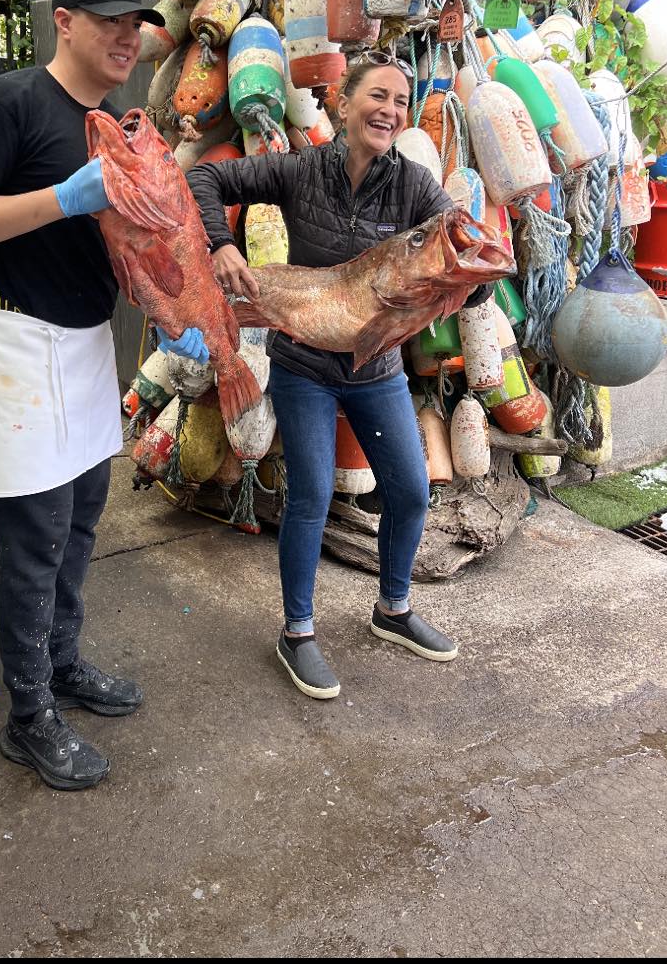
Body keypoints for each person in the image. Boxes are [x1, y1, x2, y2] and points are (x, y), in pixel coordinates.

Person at [0, 0, 208, 790]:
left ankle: (62, 663)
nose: (130, 35)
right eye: (112, 19)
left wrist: (173, 306)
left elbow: (123, 239)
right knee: (34, 538)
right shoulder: (5, 101)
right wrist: (64, 196)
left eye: (138, 23)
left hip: (85, 344)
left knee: (83, 516)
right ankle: (28, 717)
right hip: (15, 339)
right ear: (66, 21)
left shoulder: (116, 118)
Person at [190, 53, 481, 702]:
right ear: (341, 105)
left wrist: (472, 277)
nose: (390, 110)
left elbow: (456, 235)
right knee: (313, 494)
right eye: (377, 95)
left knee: (408, 490)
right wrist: (222, 244)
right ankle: (296, 633)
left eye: (401, 101)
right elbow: (206, 182)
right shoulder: (299, 170)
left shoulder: (409, 184)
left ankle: (393, 610)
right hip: (305, 366)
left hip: (376, 368)